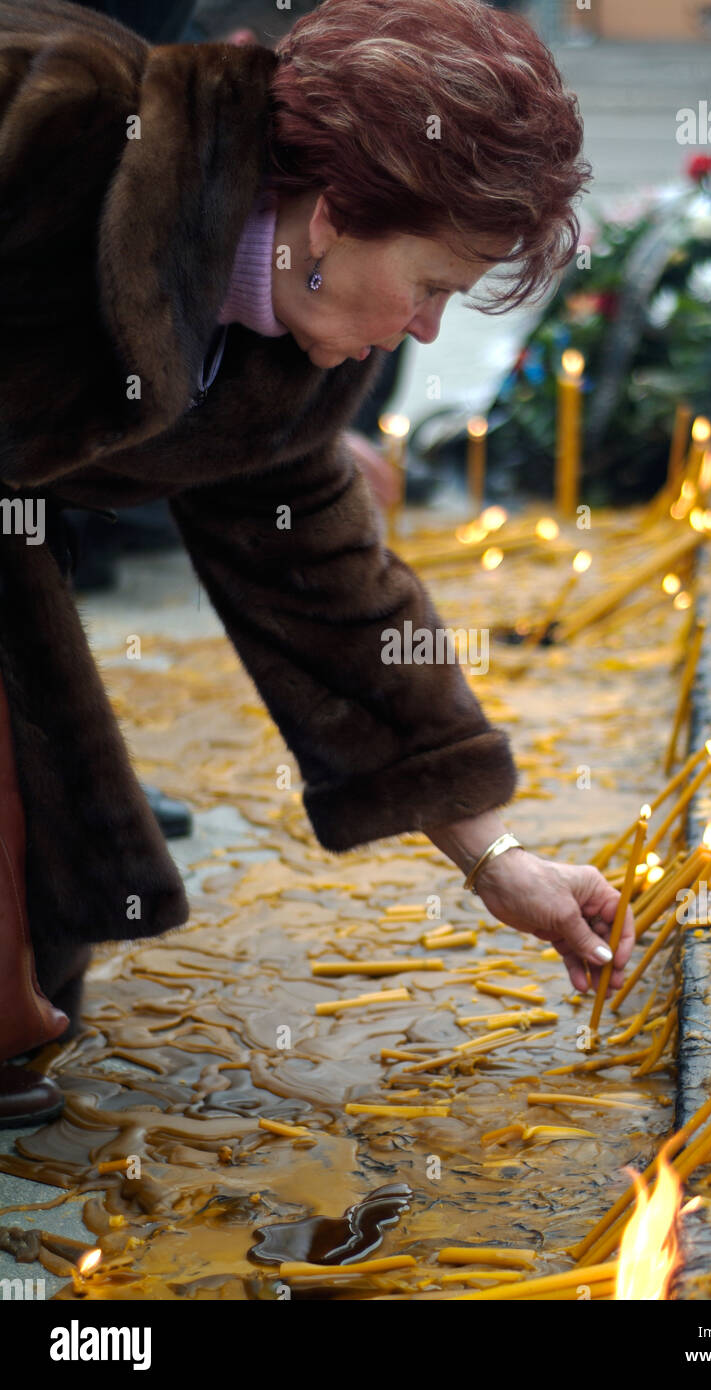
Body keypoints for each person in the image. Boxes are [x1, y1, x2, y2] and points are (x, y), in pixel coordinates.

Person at [0, 0, 633, 1126]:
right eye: (433, 282)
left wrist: (501, 863)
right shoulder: (60, 121)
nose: (432, 331)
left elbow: (341, 611)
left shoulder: (290, 354)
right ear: (335, 215)